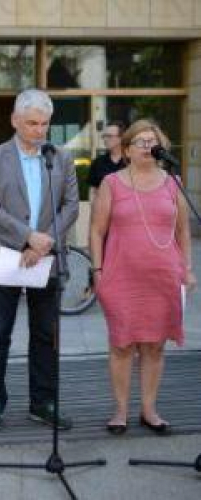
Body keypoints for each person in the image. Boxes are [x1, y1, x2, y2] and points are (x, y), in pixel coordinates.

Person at [0, 89, 79, 432]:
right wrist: (26, 237)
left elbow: (71, 206)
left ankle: (43, 401)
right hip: (5, 256)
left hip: (45, 257)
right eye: (32, 123)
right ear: (14, 120)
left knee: (46, 333)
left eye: (44, 124)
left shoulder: (60, 158)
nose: (39, 130)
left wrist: (42, 242)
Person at [90, 119, 196, 436]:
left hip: (164, 277)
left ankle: (149, 409)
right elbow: (96, 231)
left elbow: (184, 230)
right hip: (121, 276)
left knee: (154, 347)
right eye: (141, 141)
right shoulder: (112, 183)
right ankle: (120, 411)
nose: (148, 146)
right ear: (127, 149)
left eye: (153, 141)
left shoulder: (172, 182)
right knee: (122, 345)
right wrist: (97, 271)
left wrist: (187, 268)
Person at [88, 121, 125, 199]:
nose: (105, 139)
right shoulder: (97, 162)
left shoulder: (132, 161)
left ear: (121, 138)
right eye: (104, 136)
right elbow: (93, 190)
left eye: (109, 136)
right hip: (103, 209)